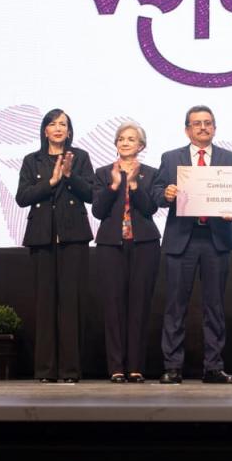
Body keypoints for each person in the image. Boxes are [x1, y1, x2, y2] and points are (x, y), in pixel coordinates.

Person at [151, 105, 232, 384]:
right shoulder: (170, 158)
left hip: (216, 238)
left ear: (215, 128)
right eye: (197, 123)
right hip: (182, 239)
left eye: (208, 123)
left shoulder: (229, 158)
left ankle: (213, 367)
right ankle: (172, 367)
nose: (203, 127)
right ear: (187, 129)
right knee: (175, 306)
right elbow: (155, 193)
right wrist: (166, 194)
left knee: (215, 307)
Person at [17, 109, 94, 383]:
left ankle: (70, 370)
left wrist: (70, 176)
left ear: (69, 131)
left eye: (63, 124)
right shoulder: (32, 160)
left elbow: (92, 194)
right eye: (53, 124)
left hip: (73, 237)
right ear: (45, 130)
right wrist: (50, 183)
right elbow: (22, 197)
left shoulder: (80, 157)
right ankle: (46, 370)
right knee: (45, 305)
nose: (58, 128)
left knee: (71, 304)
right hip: (42, 237)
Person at [92, 121, 160, 384]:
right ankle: (116, 367)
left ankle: (135, 367)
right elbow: (98, 211)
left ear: (141, 145)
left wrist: (133, 185)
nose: (125, 142)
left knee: (139, 306)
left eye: (131, 139)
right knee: (113, 306)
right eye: (121, 138)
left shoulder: (151, 174)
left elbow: (151, 208)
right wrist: (114, 186)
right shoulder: (103, 173)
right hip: (111, 245)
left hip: (145, 245)